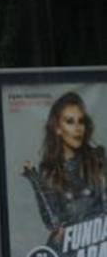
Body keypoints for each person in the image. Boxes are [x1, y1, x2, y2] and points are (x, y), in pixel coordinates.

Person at [23, 92, 106, 236]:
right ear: (57, 128)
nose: (78, 128)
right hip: (70, 251)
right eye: (70, 121)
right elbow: (53, 223)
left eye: (81, 121)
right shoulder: (49, 170)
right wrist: (35, 180)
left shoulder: (97, 160)